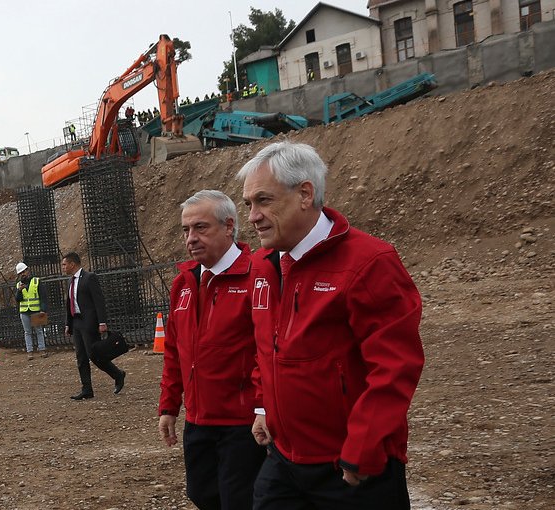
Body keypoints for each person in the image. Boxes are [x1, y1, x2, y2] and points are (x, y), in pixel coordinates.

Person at [237, 141, 424, 509]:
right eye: (248, 205)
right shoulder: (263, 266)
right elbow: (267, 348)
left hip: (350, 470)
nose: (253, 216)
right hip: (284, 460)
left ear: (305, 194)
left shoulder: (368, 262)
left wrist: (363, 447)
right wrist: (263, 408)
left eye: (264, 201)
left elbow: (395, 365)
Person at [158, 190, 265, 510]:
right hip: (199, 420)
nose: (191, 238)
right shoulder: (184, 283)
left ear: (229, 226)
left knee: (239, 500)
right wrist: (169, 405)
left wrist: (262, 408)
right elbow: (174, 351)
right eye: (186, 230)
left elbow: (266, 351)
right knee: (202, 494)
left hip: (241, 423)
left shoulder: (255, 277)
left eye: (200, 228)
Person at [62, 252, 125, 400]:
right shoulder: (71, 281)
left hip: (88, 322)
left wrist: (102, 322)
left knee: (95, 355)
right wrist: (68, 323)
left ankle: (118, 374)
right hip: (76, 322)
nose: (63, 267)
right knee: (81, 357)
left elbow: (99, 301)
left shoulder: (90, 278)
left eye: (65, 264)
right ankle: (87, 389)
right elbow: (69, 303)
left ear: (72, 264)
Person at [14, 261, 47, 360]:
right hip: (24, 311)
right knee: (27, 332)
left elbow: (43, 296)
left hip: (35, 310)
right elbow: (18, 299)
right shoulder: (18, 284)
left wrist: (43, 309)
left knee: (39, 330)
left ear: (28, 270)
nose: (22, 274)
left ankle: (42, 349)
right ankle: (30, 351)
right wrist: (19, 290)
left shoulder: (36, 281)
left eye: (24, 271)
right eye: (20, 273)